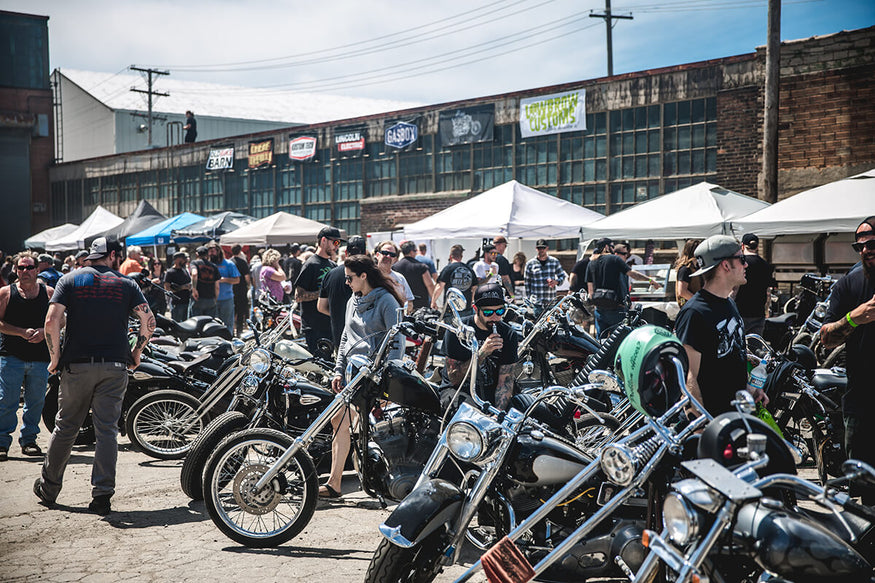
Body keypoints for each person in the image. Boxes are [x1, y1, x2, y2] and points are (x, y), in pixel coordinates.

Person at [35, 237, 155, 515]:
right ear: (113, 255)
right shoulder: (127, 284)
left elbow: (51, 321)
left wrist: (55, 357)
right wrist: (136, 353)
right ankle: (102, 495)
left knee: (65, 427)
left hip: (76, 365)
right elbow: (149, 322)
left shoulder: (70, 280)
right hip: (114, 365)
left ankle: (49, 488)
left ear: (92, 254)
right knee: (107, 432)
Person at [322, 254, 405, 499]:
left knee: (377, 428)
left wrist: (386, 377)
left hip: (374, 375)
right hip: (352, 373)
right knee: (339, 420)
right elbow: (346, 338)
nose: (346, 282)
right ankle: (335, 483)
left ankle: (384, 481)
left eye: (349, 278)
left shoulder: (387, 301)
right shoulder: (353, 300)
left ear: (363, 276)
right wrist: (338, 369)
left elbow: (397, 342)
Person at [674, 235, 766, 417]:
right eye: (741, 259)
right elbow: (688, 378)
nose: (746, 264)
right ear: (725, 265)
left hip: (735, 415)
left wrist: (751, 389)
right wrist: (701, 428)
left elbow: (729, 359)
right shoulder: (694, 313)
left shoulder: (729, 304)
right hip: (713, 423)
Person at [820, 217, 875, 503]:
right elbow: (826, 337)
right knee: (865, 485)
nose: (866, 250)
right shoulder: (849, 285)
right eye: (860, 246)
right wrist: (855, 318)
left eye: (872, 243)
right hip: (863, 397)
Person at [0, 252, 53, 461]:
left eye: (29, 267)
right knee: (6, 401)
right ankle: (2, 442)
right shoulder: (6, 293)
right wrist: (21, 332)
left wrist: (43, 331)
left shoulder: (48, 292)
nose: (25, 272)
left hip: (40, 357)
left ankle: (29, 440)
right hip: (11, 356)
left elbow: (62, 320)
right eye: (21, 268)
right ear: (15, 270)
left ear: (37, 269)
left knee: (36, 402)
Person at [443, 283, 519, 410]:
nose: (495, 317)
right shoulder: (458, 330)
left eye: (500, 311)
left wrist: (498, 413)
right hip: (460, 390)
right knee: (471, 417)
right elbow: (454, 378)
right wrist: (482, 353)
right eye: (488, 312)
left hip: (491, 390)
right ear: (475, 309)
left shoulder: (508, 334)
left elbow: (505, 381)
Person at [586, 240, 660, 336]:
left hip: (599, 309)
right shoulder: (615, 259)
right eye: (612, 246)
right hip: (617, 308)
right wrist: (650, 280)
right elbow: (633, 274)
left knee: (601, 340)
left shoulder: (591, 263)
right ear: (606, 247)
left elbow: (590, 291)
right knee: (618, 340)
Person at [295, 227, 340, 358]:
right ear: (324, 240)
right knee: (318, 366)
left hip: (330, 324)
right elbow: (299, 296)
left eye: (339, 243)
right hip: (314, 326)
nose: (337, 246)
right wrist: (323, 293)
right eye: (335, 242)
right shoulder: (310, 264)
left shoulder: (333, 265)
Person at [319, 235, 367, 349]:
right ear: (365, 254)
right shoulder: (370, 275)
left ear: (346, 253)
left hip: (339, 340)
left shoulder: (331, 274)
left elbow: (321, 307)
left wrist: (338, 315)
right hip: (365, 342)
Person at [734, 233, 775, 335]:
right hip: (758, 312)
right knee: (755, 346)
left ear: (742, 246)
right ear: (757, 247)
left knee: (739, 345)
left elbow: (734, 289)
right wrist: (766, 310)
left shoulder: (739, 263)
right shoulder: (765, 265)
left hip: (739, 311)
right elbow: (768, 291)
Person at [432, 244, 477, 314]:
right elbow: (474, 288)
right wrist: (472, 302)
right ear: (461, 256)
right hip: (466, 308)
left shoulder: (447, 269)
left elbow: (439, 287)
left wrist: (433, 301)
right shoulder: (469, 269)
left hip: (451, 308)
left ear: (450, 256)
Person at [524, 239, 566, 312]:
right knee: (537, 322)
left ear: (547, 248)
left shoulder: (554, 261)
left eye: (543, 248)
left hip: (550, 300)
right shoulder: (530, 264)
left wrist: (556, 282)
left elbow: (562, 276)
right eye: (539, 248)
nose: (541, 250)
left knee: (551, 322)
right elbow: (527, 283)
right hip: (536, 302)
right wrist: (529, 298)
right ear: (536, 249)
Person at [393, 240, 434, 311]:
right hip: (420, 304)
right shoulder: (421, 267)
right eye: (415, 251)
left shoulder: (395, 267)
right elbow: (429, 285)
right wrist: (434, 301)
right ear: (411, 252)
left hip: (402, 303)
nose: (416, 253)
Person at [375, 240, 414, 312]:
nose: (388, 256)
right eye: (385, 253)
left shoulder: (400, 278)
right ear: (377, 255)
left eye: (392, 255)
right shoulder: (369, 276)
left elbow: (409, 301)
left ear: (395, 259)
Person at [210, 243, 240, 335]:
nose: (211, 253)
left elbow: (237, 280)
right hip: (212, 299)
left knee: (227, 324)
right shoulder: (208, 265)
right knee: (213, 325)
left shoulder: (229, 264)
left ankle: (229, 340)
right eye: (209, 251)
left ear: (219, 251)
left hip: (226, 299)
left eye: (213, 251)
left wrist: (223, 279)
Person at [189, 245, 220, 317]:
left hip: (198, 298)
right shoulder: (214, 266)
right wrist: (215, 298)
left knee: (195, 324)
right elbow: (217, 286)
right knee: (209, 324)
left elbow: (194, 274)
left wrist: (194, 289)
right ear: (207, 255)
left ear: (197, 254)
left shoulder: (195, 263)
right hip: (210, 299)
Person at [230, 245, 251, 335]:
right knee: (240, 311)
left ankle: (231, 330)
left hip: (231, 288)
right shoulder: (242, 262)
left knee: (232, 311)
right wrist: (248, 285)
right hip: (241, 289)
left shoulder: (229, 262)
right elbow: (247, 277)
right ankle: (239, 331)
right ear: (240, 251)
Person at [674, 239, 702, 307]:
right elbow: (682, 292)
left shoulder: (696, 267)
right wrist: (699, 302)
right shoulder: (685, 269)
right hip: (690, 306)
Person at [164, 252, 192, 322]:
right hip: (177, 303)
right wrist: (181, 287)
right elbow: (167, 288)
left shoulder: (185, 270)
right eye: (183, 259)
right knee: (177, 324)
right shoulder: (170, 272)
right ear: (176, 260)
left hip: (187, 302)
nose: (185, 261)